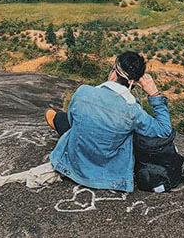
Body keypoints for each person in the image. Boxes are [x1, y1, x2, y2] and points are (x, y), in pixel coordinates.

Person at [46, 51, 172, 192]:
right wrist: (154, 94)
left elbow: (72, 121)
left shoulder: (83, 92)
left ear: (113, 73)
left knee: (55, 116)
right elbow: (164, 130)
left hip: (72, 166)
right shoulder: (133, 111)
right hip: (110, 176)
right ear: (135, 82)